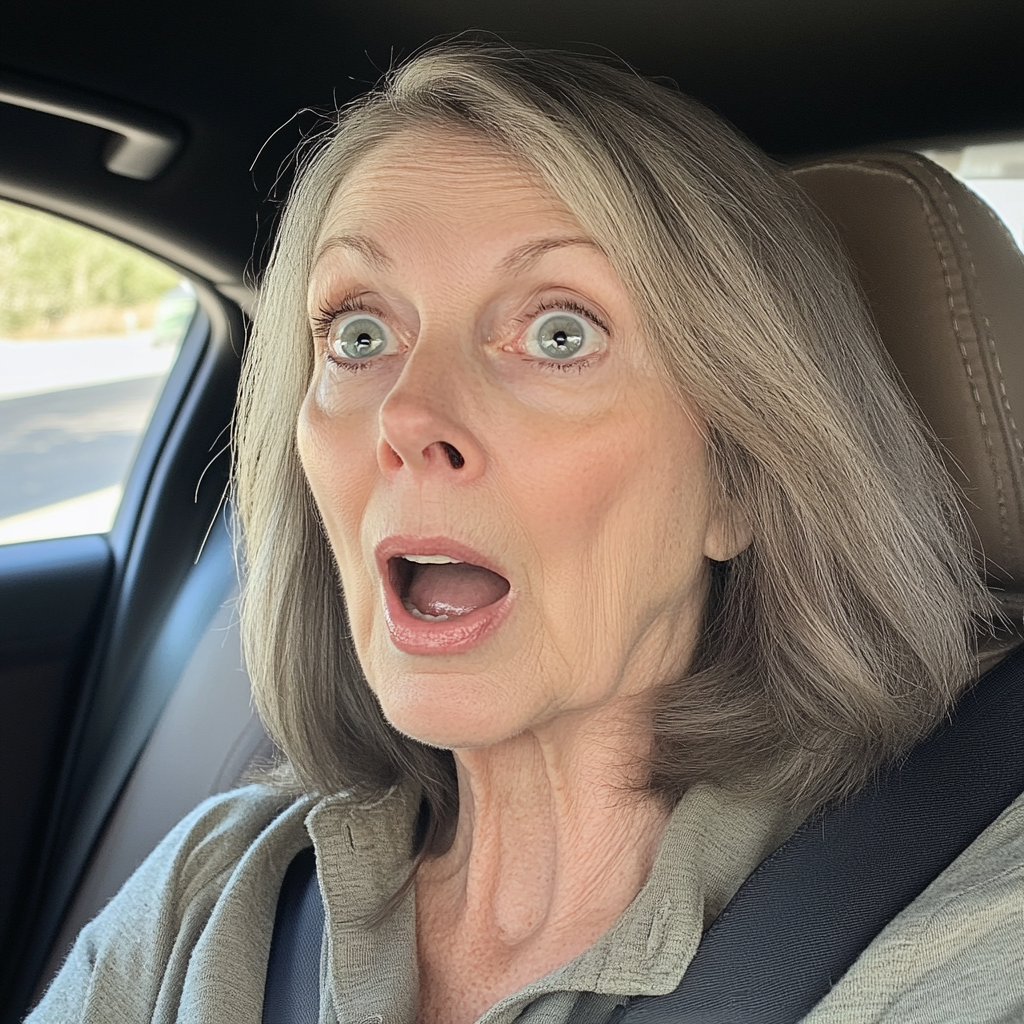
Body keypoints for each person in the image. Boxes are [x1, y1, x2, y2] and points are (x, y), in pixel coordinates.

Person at [29, 40, 1024, 1024]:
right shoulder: (211, 892)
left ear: (738, 478)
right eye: (360, 334)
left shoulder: (970, 928)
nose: (405, 416)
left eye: (560, 332)